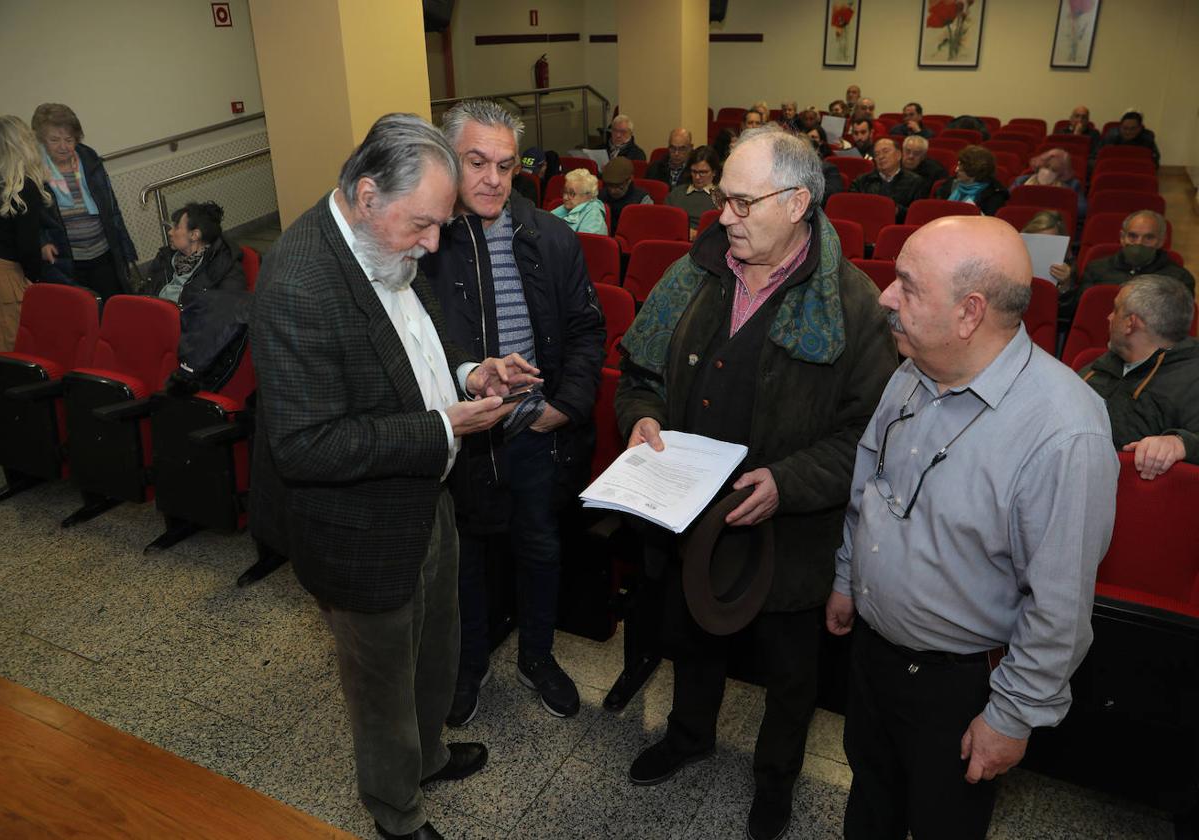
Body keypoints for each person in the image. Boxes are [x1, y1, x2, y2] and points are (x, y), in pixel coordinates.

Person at [251, 112, 539, 840]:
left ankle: (430, 755)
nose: (433, 244)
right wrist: (447, 429)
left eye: (440, 226)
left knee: (434, 651)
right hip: (359, 528)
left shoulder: (390, 242)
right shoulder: (301, 281)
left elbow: (418, 341)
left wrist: (473, 372)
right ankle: (397, 812)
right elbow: (305, 447)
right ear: (367, 192)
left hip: (426, 498)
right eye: (422, 225)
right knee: (380, 685)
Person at [618, 125, 895, 840]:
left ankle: (775, 779)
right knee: (693, 636)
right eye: (723, 199)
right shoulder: (695, 272)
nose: (724, 216)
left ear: (798, 201)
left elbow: (866, 439)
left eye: (742, 202)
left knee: (790, 672)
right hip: (691, 515)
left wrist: (788, 481)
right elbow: (642, 374)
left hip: (791, 532)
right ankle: (689, 735)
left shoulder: (854, 305)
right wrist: (642, 416)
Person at [826, 215, 1119, 840]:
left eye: (908, 285)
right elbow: (869, 486)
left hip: (960, 689)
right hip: (873, 658)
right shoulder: (911, 369)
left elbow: (1060, 607)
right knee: (870, 800)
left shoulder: (1066, 433)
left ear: (969, 313)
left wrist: (1011, 718)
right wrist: (849, 578)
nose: (885, 296)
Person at [423, 100, 605, 726]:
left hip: (535, 434)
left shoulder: (550, 236)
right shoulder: (427, 239)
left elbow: (585, 331)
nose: (493, 179)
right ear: (449, 160)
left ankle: (538, 657)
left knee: (540, 549)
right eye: (477, 162)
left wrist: (564, 406)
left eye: (505, 165)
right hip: (461, 437)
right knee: (464, 561)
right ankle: (468, 667)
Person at [1080, 275, 1199, 479]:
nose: (1109, 317)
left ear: (1130, 323)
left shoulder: (1192, 376)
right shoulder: (1101, 365)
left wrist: (1181, 442)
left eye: (1115, 310)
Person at [32, 103, 137, 300]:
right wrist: (42, 242)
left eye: (69, 139)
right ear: (42, 140)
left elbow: (112, 209)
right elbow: (32, 215)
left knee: (114, 306)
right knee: (82, 314)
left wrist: (126, 250)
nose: (63, 146)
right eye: (54, 140)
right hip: (67, 260)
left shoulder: (89, 160)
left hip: (103, 252)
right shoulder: (36, 170)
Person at [0, 115, 50, 351]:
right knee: (17, 349)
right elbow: (27, 246)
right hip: (8, 276)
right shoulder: (22, 187)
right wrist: (34, 277)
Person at [146, 201, 246, 305]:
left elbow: (230, 307)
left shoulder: (223, 264)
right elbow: (146, 293)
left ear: (194, 235)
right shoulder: (165, 257)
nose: (170, 232)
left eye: (176, 227)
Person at [1075, 210, 1194, 295]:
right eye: (1132, 236)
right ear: (1122, 237)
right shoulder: (1096, 269)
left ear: (1161, 241)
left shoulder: (1180, 279)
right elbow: (1080, 312)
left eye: (1148, 238)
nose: (1139, 243)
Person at [849, 138, 928, 223]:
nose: (881, 157)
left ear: (898, 155)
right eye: (877, 154)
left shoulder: (916, 182)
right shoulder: (861, 181)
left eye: (885, 151)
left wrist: (898, 211)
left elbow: (918, 214)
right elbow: (852, 209)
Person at [1010, 148, 1086, 220]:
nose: (1047, 173)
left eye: (1054, 170)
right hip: (1023, 219)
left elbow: (1082, 210)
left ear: (1062, 172)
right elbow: (1008, 200)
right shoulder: (1021, 181)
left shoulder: (1073, 185)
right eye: (1045, 167)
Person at [933, 145, 1009, 216]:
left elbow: (988, 222)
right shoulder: (949, 184)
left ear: (974, 171)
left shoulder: (994, 194)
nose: (956, 170)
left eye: (961, 168)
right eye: (958, 165)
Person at [665, 145, 720, 237]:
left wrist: (696, 234)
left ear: (714, 172)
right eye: (694, 172)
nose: (697, 177)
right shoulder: (676, 193)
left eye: (703, 172)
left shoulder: (720, 197)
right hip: (675, 240)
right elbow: (665, 222)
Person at [1020, 210, 1073, 288]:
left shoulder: (1068, 267)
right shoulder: (1014, 257)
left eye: (1048, 241)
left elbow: (1070, 299)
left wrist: (1065, 284)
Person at [601, 156, 653, 235]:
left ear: (629, 179)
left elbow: (646, 230)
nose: (613, 190)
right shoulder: (600, 197)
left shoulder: (642, 199)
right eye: (610, 185)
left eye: (618, 186)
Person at [551, 168, 607, 234]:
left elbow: (585, 243)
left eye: (572, 193)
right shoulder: (568, 207)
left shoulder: (594, 217)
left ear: (588, 195)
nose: (565, 197)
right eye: (565, 191)